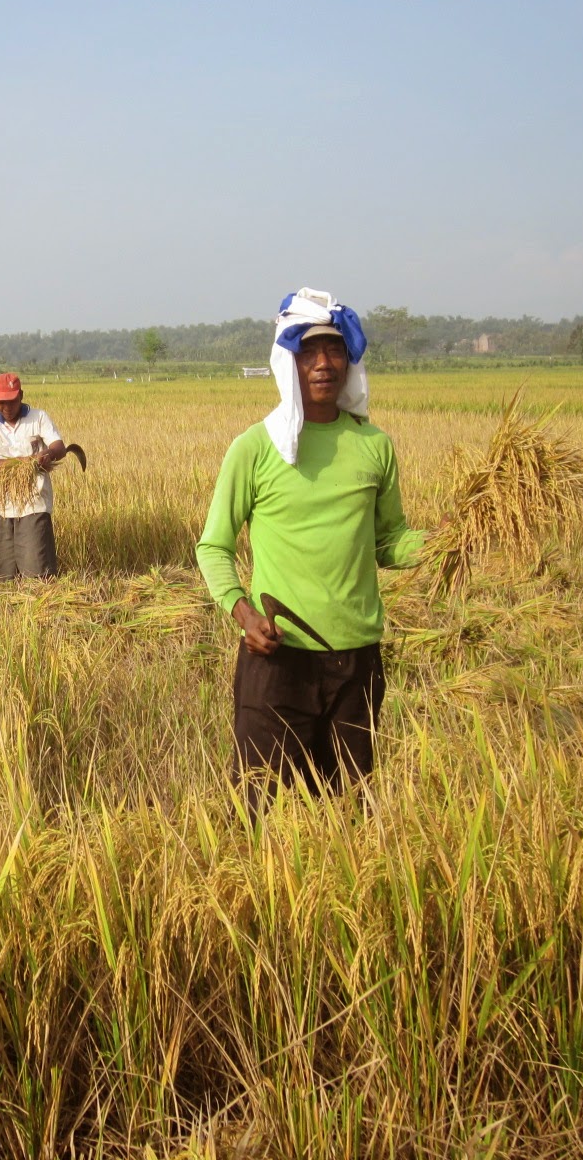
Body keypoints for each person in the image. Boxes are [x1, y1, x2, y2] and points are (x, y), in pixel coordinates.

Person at [196, 289, 426, 807]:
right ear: (288, 363)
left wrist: (449, 542)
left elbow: (389, 542)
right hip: (278, 663)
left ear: (350, 360)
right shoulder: (256, 448)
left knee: (350, 810)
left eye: (336, 350)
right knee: (260, 814)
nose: (324, 364)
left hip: (356, 662)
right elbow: (213, 546)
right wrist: (243, 613)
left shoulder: (374, 446)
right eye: (309, 352)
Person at [0, 372, 67, 579]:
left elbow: (59, 446)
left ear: (21, 396)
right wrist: (20, 463)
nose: (6, 408)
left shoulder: (39, 418)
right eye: (1, 403)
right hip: (2, 507)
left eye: (11, 402)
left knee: (37, 573)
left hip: (34, 504)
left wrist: (47, 454)